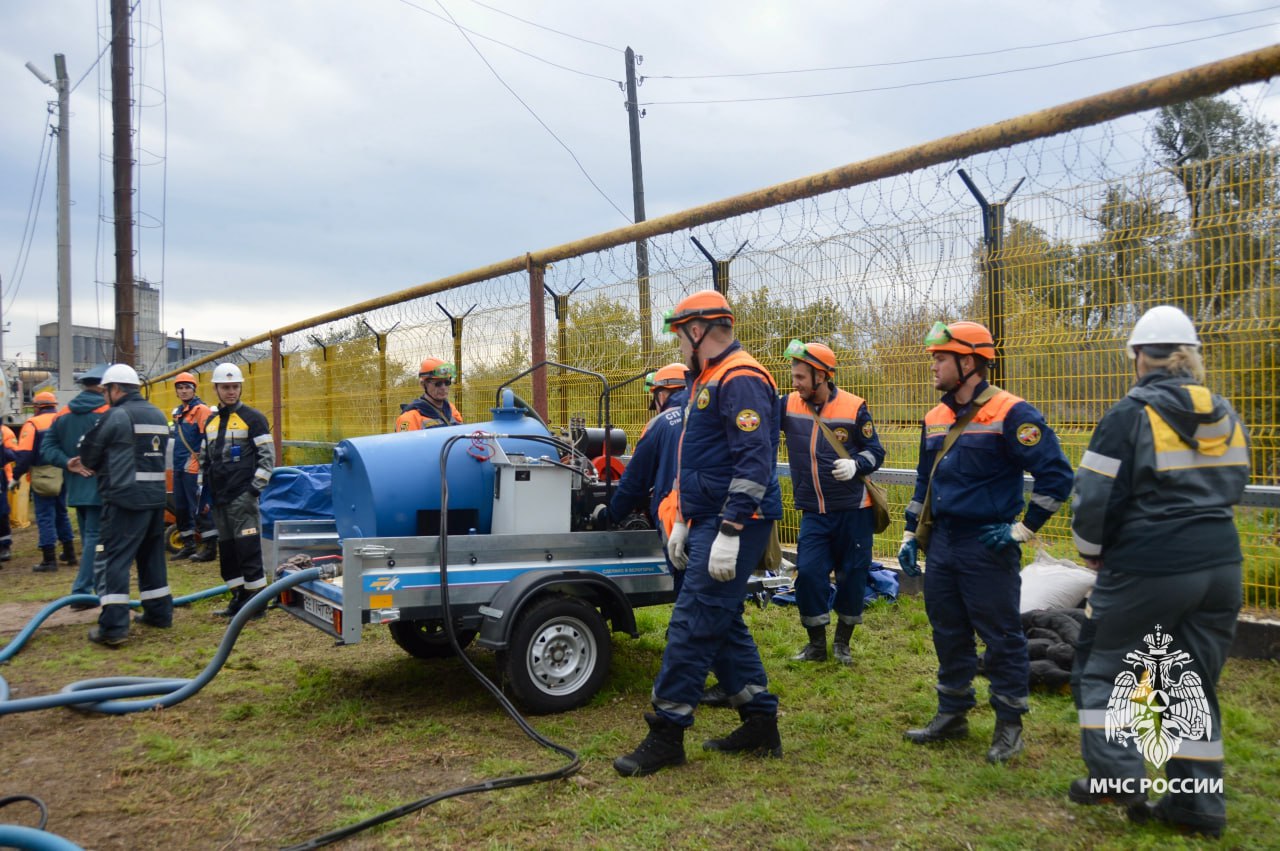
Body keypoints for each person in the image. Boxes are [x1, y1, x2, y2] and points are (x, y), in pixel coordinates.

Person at [1068, 306, 1248, 838]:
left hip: (1150, 564)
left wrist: (1091, 549)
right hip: (1221, 562)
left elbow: (1095, 495)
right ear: (1189, 355)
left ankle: (1118, 776)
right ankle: (1197, 806)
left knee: (1103, 667)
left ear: (1139, 357)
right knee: (1189, 682)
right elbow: (1235, 482)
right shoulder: (1222, 410)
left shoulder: (1130, 413)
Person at [615, 290, 783, 777]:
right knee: (721, 621)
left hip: (737, 519)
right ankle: (759, 721)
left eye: (678, 332)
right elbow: (699, 459)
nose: (678, 344)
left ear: (697, 331)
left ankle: (666, 732)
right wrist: (685, 519)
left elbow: (755, 463)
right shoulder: (707, 379)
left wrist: (729, 529)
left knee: (692, 621)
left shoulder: (741, 377)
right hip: (708, 517)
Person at [897, 320, 1073, 764]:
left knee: (1001, 636)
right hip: (943, 542)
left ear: (969, 361)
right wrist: (910, 532)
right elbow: (925, 480)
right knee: (947, 630)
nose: (933, 367)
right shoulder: (935, 418)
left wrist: (1023, 529)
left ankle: (1009, 725)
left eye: (940, 358)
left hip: (988, 544)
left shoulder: (1012, 413)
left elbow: (1056, 475)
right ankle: (952, 713)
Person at [779, 339, 885, 666]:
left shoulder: (854, 408)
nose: (795, 384)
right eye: (794, 377)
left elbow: (875, 451)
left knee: (852, 577)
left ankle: (842, 644)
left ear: (821, 376)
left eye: (800, 378)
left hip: (854, 512)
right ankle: (816, 645)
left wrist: (857, 464)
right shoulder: (788, 405)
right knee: (809, 575)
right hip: (814, 512)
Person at [76, 364, 173, 646]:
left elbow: (90, 454)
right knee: (151, 559)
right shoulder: (156, 413)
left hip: (123, 500)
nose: (105, 396)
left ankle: (114, 628)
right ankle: (159, 613)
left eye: (106, 390)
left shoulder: (117, 415)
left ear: (114, 389)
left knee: (113, 561)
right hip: (155, 499)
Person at [600, 363, 688, 588]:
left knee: (687, 588)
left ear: (663, 393)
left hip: (676, 516)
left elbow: (635, 481)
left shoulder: (659, 424)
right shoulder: (711, 414)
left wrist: (612, 514)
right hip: (716, 518)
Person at [200, 362, 275, 618]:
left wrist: (253, 490)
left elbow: (267, 458)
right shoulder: (210, 422)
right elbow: (205, 460)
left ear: (240, 387)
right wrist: (205, 494)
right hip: (219, 500)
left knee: (248, 551)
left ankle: (256, 606)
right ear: (216, 389)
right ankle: (238, 600)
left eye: (234, 387)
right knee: (229, 556)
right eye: (225, 387)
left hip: (242, 498)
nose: (231, 391)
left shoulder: (253, 418)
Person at [40, 363, 111, 608]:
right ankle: (82, 590)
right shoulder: (108, 412)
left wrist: (67, 462)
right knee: (96, 539)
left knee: (90, 538)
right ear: (103, 386)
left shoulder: (63, 414)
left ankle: (94, 588)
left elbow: (47, 448)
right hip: (102, 487)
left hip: (77, 488)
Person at [14, 390, 76, 572]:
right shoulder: (61, 420)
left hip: (43, 474)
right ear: (53, 405)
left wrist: (16, 475)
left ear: (37, 407)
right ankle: (69, 553)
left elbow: (25, 455)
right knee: (61, 512)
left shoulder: (32, 423)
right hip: (63, 471)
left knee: (45, 515)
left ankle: (49, 560)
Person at [170, 371, 218, 562]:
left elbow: (209, 440)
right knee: (181, 507)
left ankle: (210, 547)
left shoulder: (201, 411)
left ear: (194, 389)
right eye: (179, 388)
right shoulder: (179, 412)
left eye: (186, 387)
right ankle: (188, 544)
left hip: (193, 468)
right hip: (179, 466)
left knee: (199, 507)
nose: (183, 391)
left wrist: (203, 466)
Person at [395, 358, 463, 431]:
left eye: (447, 382)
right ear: (423, 384)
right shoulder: (410, 417)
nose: (443, 387)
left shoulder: (451, 409)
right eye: (438, 383)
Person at [0, 423, 16, 562]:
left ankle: (5, 546)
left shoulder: (5, 432)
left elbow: (13, 453)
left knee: (2, 513)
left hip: (2, 478)